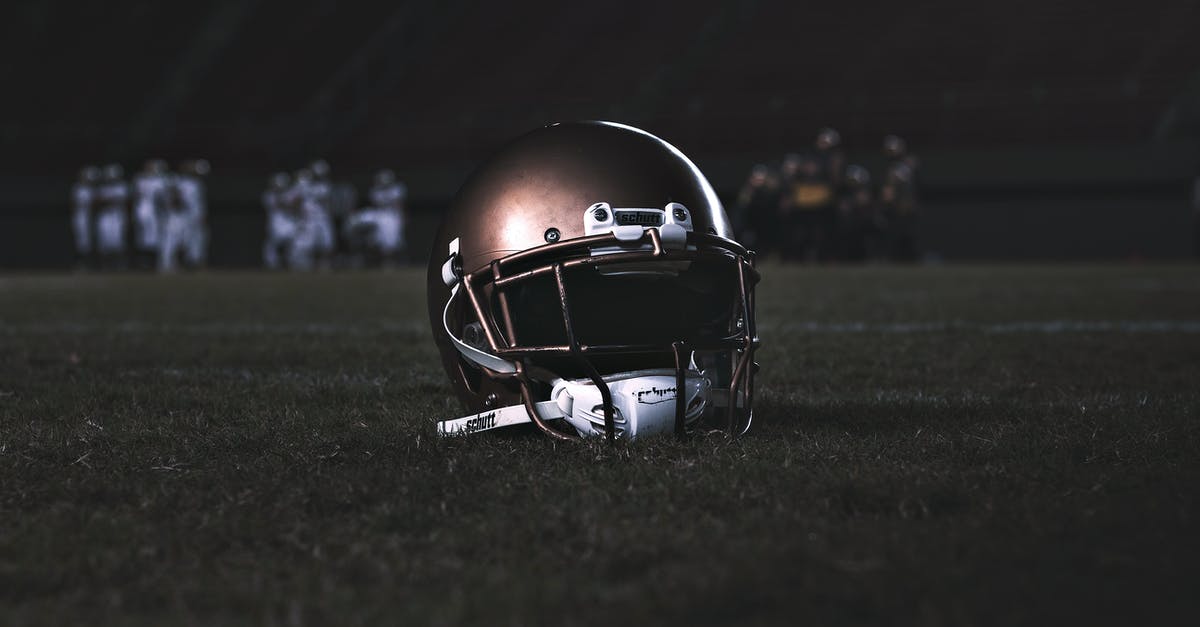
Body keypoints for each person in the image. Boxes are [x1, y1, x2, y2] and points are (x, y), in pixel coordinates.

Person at [346, 169, 408, 267]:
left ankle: (390, 262)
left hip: (391, 216)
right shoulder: (375, 191)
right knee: (353, 221)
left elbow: (399, 206)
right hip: (379, 215)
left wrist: (402, 219)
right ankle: (360, 249)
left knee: (391, 242)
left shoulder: (396, 190)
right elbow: (374, 207)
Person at [733, 164, 779, 257]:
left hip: (763, 222)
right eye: (756, 179)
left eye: (761, 180)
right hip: (749, 222)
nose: (758, 182)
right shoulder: (747, 191)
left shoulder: (767, 192)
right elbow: (742, 206)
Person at [132, 159, 169, 270]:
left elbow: (162, 199)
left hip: (155, 212)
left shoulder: (161, 181)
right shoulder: (140, 180)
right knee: (143, 237)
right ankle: (144, 262)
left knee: (155, 237)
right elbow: (137, 196)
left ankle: (155, 262)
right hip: (143, 210)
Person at [94, 163, 129, 269]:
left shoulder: (122, 187)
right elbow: (97, 202)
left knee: (118, 241)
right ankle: (105, 266)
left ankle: (119, 265)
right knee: (104, 241)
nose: (111, 178)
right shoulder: (101, 188)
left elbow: (125, 201)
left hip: (118, 216)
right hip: (105, 216)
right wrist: (108, 201)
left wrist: (109, 200)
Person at [262, 172, 298, 269]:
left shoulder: (290, 193)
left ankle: (291, 263)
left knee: (291, 243)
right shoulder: (269, 195)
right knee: (272, 244)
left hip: (289, 222)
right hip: (275, 222)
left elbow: (295, 205)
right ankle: (271, 264)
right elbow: (279, 205)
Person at [70, 165, 101, 270]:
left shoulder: (94, 190)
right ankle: (81, 263)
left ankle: (94, 264)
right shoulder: (78, 188)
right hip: (81, 217)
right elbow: (74, 204)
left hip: (92, 217)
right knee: (82, 241)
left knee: (95, 240)